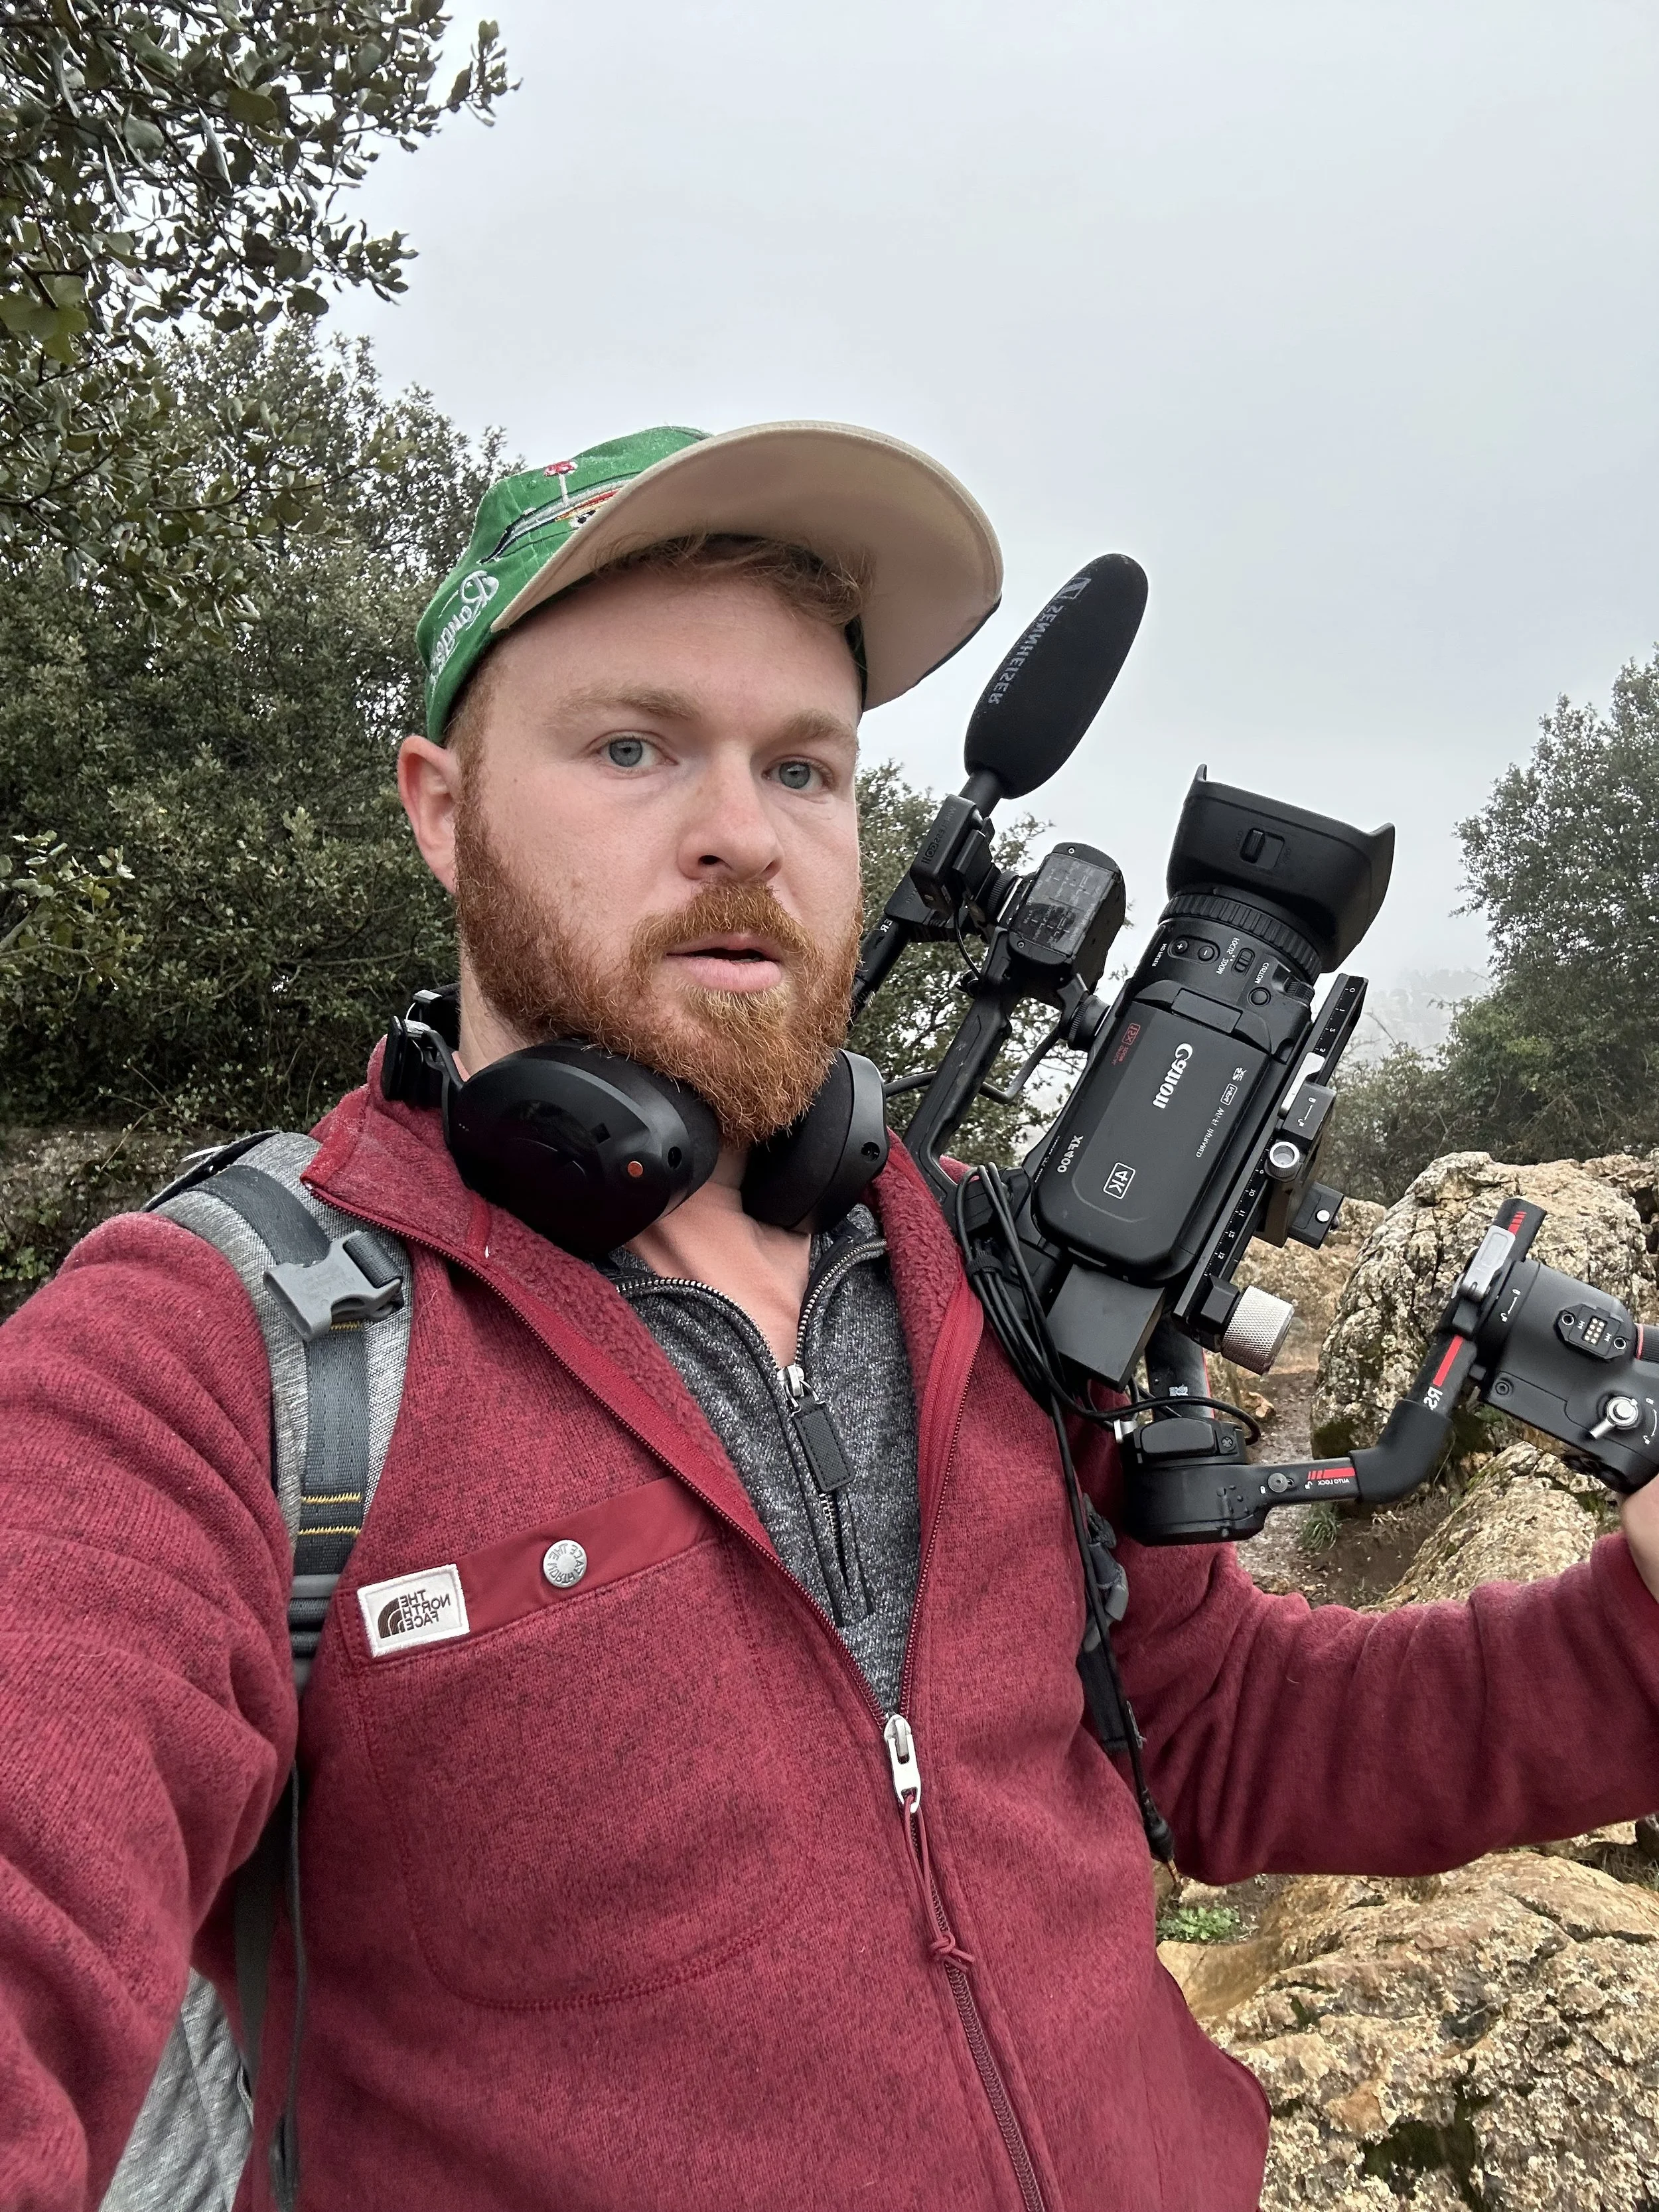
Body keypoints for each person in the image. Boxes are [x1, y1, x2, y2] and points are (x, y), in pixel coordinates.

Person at [4, 418, 1659, 2212]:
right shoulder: (216, 1358)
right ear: (440, 803)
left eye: (801, 767)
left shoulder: (983, 1281)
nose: (739, 831)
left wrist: (1632, 1630)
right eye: (632, 745)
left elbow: (1223, 1734)